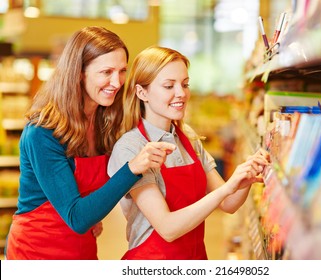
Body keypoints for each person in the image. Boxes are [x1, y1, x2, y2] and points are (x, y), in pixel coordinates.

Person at [5, 27, 175, 260]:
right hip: (36, 252)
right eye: (106, 72)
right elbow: (77, 217)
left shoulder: (105, 122)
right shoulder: (42, 132)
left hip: (81, 247)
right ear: (79, 72)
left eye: (122, 71)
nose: (116, 82)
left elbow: (85, 211)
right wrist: (132, 168)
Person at [107, 46, 270, 260]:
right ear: (141, 92)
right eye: (168, 86)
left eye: (185, 84)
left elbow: (228, 204)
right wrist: (227, 188)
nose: (181, 93)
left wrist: (245, 177)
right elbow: (167, 228)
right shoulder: (131, 148)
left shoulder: (188, 138)